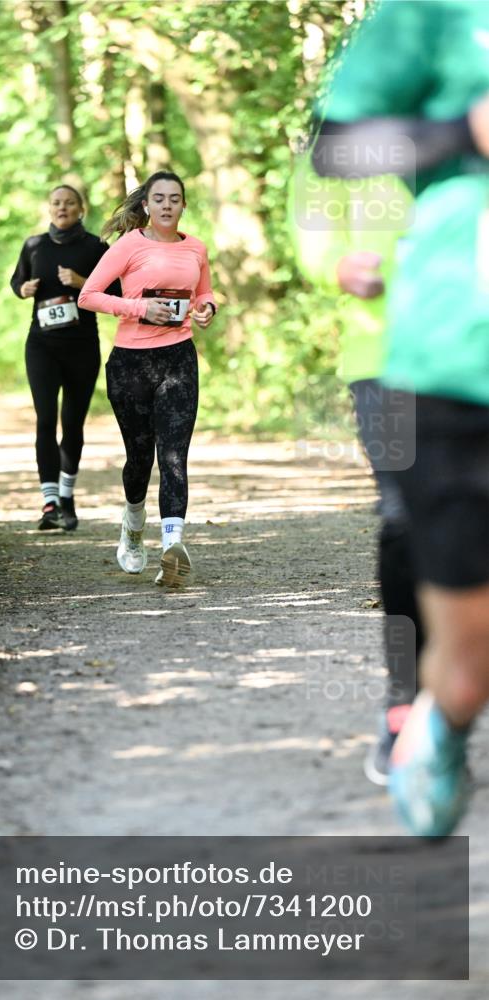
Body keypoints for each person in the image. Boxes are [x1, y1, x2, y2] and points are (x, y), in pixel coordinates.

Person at [312, 0, 489, 837]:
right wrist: (464, 129)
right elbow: (328, 161)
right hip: (412, 363)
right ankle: (417, 706)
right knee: (398, 529)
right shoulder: (429, 21)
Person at [288, 153, 419, 785]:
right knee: (404, 520)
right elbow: (314, 202)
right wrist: (332, 261)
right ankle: (405, 702)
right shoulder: (369, 105)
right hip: (384, 354)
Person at [78, 170, 217, 588]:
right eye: (159, 198)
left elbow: (204, 294)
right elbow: (88, 295)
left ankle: (172, 545)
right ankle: (133, 529)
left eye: (175, 198)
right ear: (146, 205)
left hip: (179, 359)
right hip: (131, 364)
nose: (167, 205)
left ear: (184, 204)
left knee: (174, 455)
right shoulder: (129, 245)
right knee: (140, 460)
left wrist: (207, 310)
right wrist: (139, 309)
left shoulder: (196, 248)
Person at [10, 184, 120, 532]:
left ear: (81, 209)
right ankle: (49, 502)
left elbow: (117, 293)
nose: (62, 208)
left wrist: (80, 281)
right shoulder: (34, 245)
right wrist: (23, 290)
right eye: (57, 203)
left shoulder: (94, 247)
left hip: (82, 345)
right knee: (45, 420)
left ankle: (67, 499)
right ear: (49, 208)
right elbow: (17, 282)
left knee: (72, 423)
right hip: (41, 345)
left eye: (69, 203)